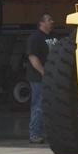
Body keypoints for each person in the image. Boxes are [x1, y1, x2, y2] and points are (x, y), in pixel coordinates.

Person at [26, 13, 54, 144]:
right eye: (49, 20)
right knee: (38, 105)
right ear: (41, 23)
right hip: (38, 78)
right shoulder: (35, 38)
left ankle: (47, 133)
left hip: (51, 78)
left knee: (50, 106)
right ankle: (34, 134)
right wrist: (43, 72)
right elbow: (33, 57)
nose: (52, 22)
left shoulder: (53, 38)